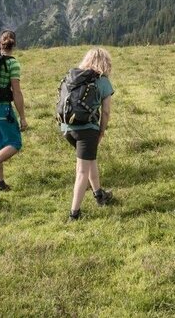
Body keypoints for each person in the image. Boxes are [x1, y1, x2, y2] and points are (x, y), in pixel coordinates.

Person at [62, 47, 115, 220]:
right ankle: (74, 214)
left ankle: (100, 195)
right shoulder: (103, 81)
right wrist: (101, 131)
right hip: (87, 130)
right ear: (105, 63)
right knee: (82, 171)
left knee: (90, 159)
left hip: (67, 128)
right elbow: (106, 112)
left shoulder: (73, 77)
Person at [0, 30, 27, 191]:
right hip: (2, 108)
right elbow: (16, 92)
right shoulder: (12, 64)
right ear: (14, 43)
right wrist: (22, 117)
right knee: (14, 143)